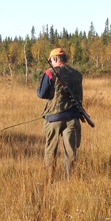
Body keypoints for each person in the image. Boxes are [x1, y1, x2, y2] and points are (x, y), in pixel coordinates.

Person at [37, 47, 84, 180]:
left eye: (51, 60)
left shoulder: (50, 73)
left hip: (53, 118)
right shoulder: (77, 74)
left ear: (55, 59)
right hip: (73, 118)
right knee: (71, 152)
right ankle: (71, 180)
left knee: (51, 150)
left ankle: (49, 179)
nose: (50, 62)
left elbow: (42, 94)